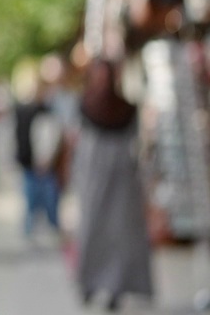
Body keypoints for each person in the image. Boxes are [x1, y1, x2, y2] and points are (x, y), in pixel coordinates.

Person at [73, 58, 153, 311]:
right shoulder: (84, 105)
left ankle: (117, 288)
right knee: (91, 232)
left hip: (122, 181)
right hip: (93, 180)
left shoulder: (127, 109)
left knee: (121, 236)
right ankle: (90, 283)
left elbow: (136, 144)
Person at [13, 58, 66, 239]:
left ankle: (51, 228)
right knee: (31, 199)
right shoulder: (24, 109)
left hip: (43, 162)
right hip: (29, 161)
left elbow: (50, 136)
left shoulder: (46, 109)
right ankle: (31, 230)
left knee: (48, 198)